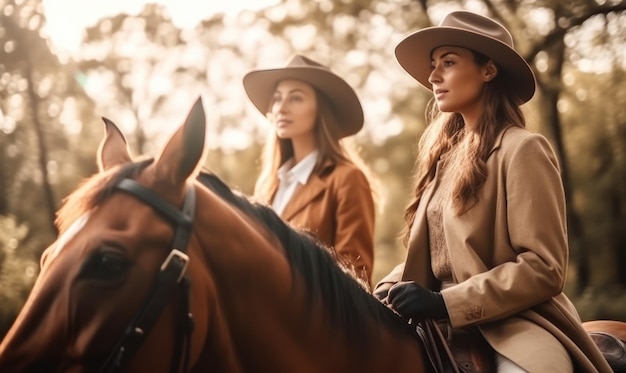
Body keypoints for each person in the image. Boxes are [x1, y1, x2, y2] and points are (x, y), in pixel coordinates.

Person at [373, 10, 611, 372]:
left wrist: (445, 302)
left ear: (488, 71)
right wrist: (387, 286)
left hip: (517, 326)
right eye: (433, 65)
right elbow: (438, 255)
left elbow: (544, 268)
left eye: (448, 63)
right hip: (442, 326)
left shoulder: (524, 149)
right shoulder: (443, 161)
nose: (433, 75)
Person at [243, 54, 376, 288]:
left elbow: (356, 276)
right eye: (277, 98)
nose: (281, 108)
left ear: (320, 109)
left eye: (295, 98)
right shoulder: (268, 186)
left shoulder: (346, 179)